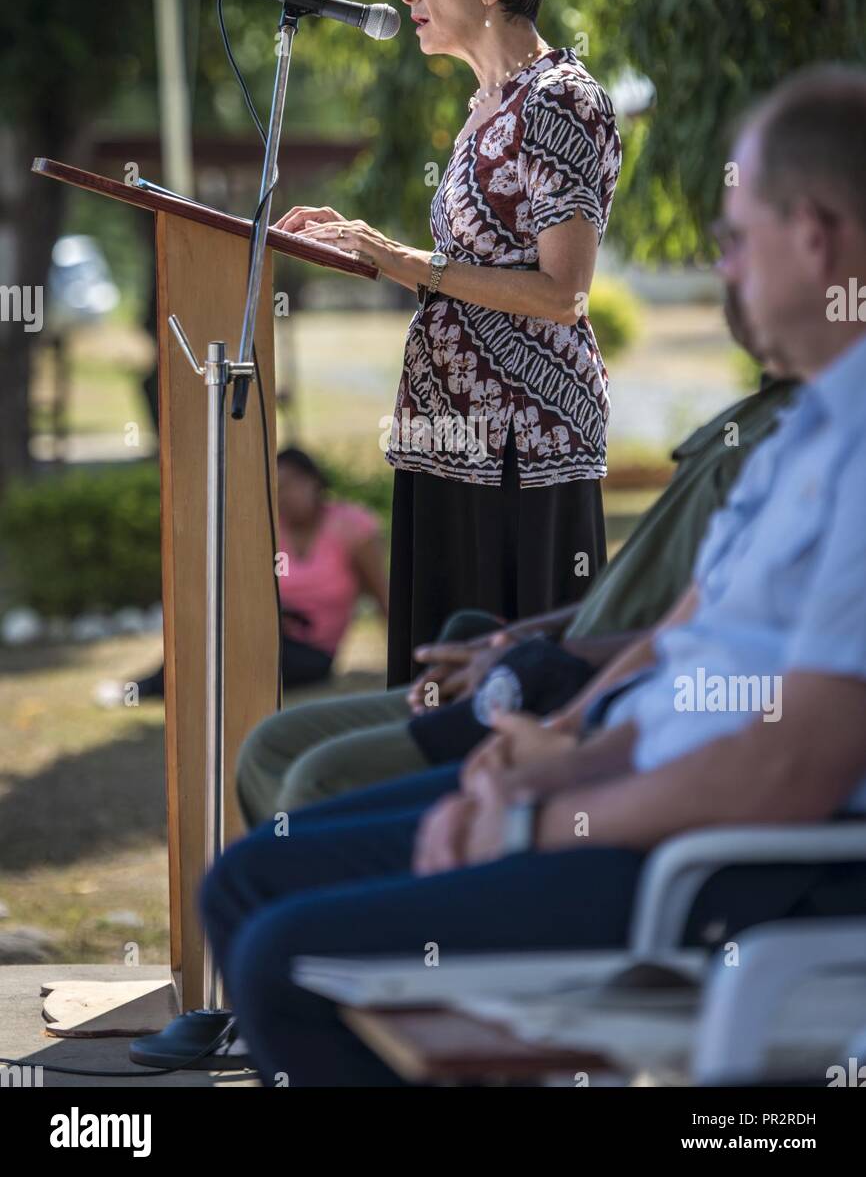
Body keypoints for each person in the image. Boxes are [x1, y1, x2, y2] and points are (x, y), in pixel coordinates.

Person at [194, 64, 866, 1086]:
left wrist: (537, 817)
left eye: (732, 240)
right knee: (249, 881)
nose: (722, 270)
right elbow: (679, 654)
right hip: (637, 801)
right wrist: (556, 755)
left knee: (280, 952)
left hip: (707, 870)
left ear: (813, 237)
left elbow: (783, 770)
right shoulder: (802, 430)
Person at [234, 285, 797, 824]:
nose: (729, 271)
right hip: (561, 666)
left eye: (744, 240)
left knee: (314, 779)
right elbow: (677, 605)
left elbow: (718, 641)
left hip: (593, 695)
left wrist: (555, 684)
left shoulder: (814, 448)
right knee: (269, 745)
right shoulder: (757, 418)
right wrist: (511, 641)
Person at [274, 0, 622, 686]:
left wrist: (402, 260)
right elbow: (476, 271)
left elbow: (562, 291)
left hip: (520, 443)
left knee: (511, 688)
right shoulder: (486, 106)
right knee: (440, 687)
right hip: (451, 436)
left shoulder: (559, 100)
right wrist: (357, 246)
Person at [95, 446, 387, 705]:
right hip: (263, 633)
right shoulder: (268, 527)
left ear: (313, 481)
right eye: (276, 488)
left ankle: (148, 688)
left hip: (313, 651)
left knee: (225, 657)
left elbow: (382, 596)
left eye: (290, 485)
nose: (284, 496)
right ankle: (153, 687)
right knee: (208, 642)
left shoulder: (351, 528)